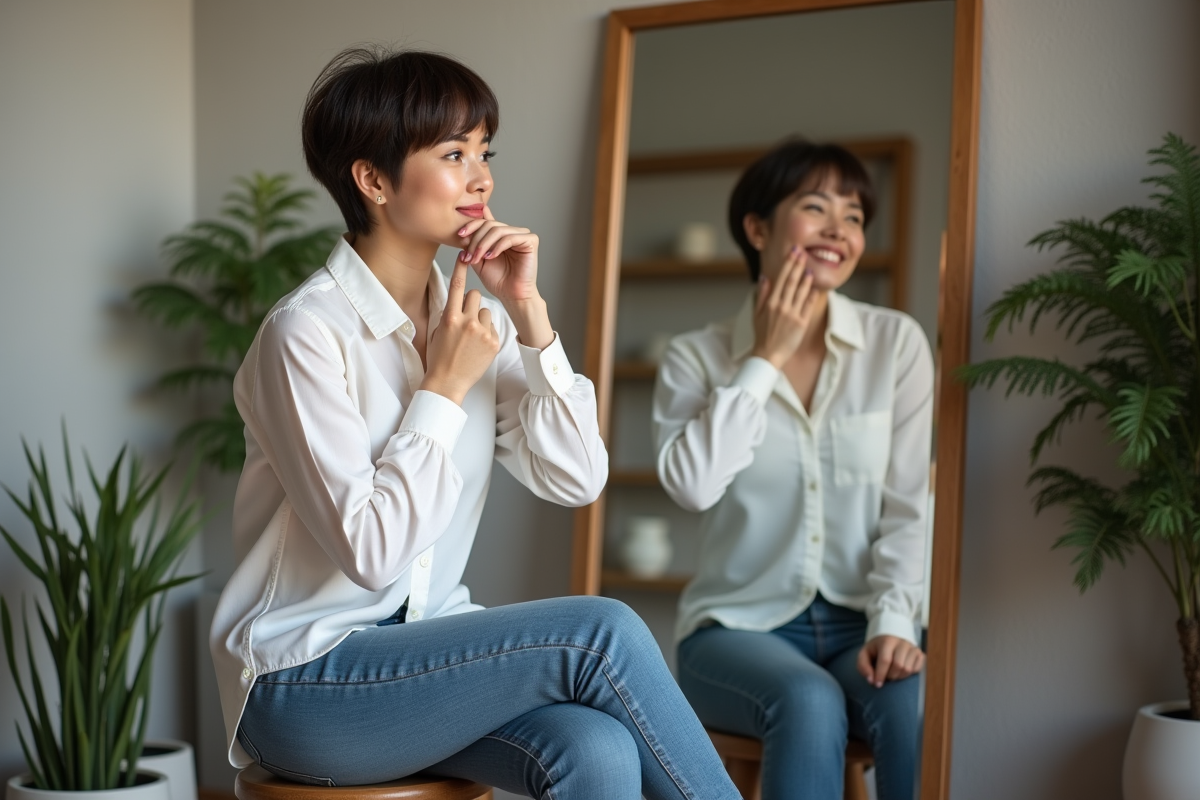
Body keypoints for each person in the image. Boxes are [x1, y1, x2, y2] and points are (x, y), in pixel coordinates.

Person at [209, 46, 740, 800]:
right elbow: (371, 551)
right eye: (453, 153)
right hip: (303, 683)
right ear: (373, 180)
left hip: (423, 660)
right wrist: (444, 385)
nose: (482, 176)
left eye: (484, 150)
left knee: (597, 751)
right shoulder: (306, 332)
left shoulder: (479, 318)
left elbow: (577, 478)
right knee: (603, 631)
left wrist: (530, 316)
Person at [654, 140, 933, 800]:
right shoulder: (696, 357)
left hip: (861, 619)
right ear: (757, 229)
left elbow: (911, 503)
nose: (840, 229)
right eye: (816, 207)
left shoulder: (895, 345)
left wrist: (895, 618)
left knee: (911, 706)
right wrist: (765, 360)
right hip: (735, 628)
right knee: (808, 701)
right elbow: (692, 488)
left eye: (856, 215)